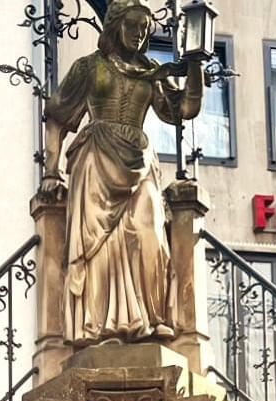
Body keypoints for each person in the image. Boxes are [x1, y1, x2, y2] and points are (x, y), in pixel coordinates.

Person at [41, 0, 205, 345]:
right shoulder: (88, 68)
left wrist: (194, 64)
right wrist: (51, 173)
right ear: (116, 27)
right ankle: (100, 325)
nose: (140, 34)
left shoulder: (152, 72)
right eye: (134, 27)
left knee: (150, 236)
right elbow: (56, 116)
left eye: (145, 30)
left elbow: (184, 110)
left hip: (139, 159)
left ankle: (151, 317)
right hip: (96, 156)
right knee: (97, 245)